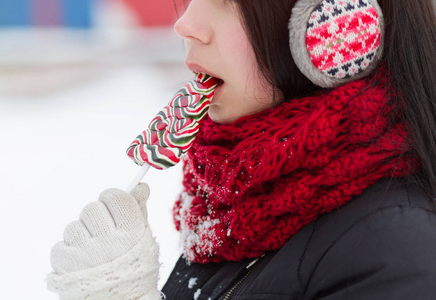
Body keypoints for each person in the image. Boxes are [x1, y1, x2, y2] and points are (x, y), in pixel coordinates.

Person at [47, 0, 436, 299]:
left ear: (332, 28)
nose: (186, 24)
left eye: (227, 1)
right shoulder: (240, 201)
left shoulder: (395, 250)